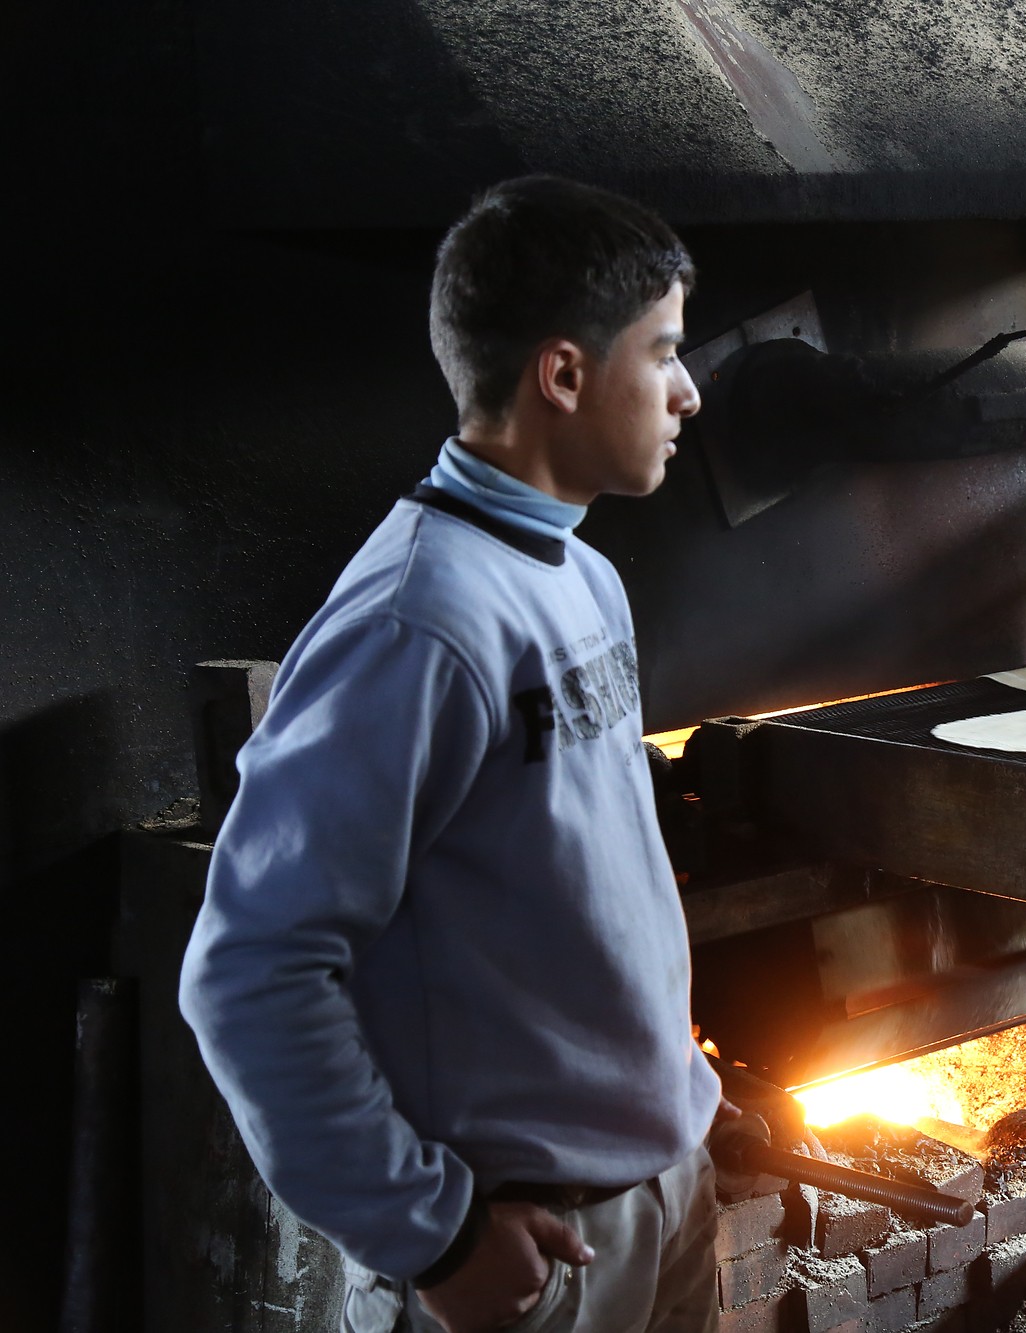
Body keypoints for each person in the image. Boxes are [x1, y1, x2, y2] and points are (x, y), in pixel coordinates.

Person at [180, 175, 730, 1333]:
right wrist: (432, 1233)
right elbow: (249, 969)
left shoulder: (584, 574)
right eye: (665, 351)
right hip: (535, 1244)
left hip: (665, 1192)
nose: (688, 391)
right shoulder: (414, 620)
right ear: (564, 373)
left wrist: (678, 1120)